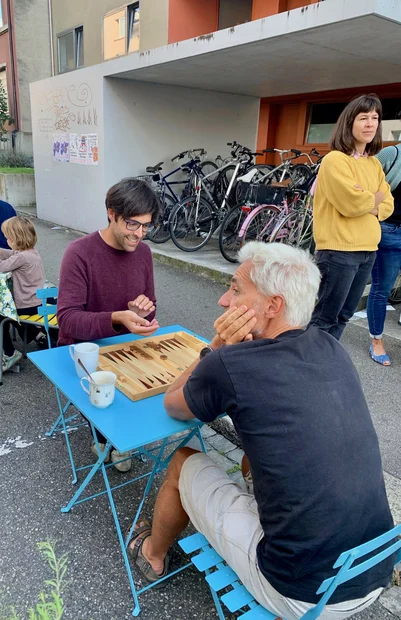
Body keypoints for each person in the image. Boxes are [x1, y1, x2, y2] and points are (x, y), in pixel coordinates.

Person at [126, 242, 394, 620]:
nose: (223, 300)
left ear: (273, 305)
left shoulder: (230, 364)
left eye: (236, 289)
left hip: (303, 593)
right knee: (263, 448)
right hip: (372, 566)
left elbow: (172, 403)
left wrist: (216, 347)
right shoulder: (332, 348)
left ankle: (152, 553)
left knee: (183, 461)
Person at [57, 178, 161, 472]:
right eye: (132, 224)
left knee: (166, 388)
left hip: (127, 345)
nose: (139, 234)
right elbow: (67, 319)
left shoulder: (144, 253)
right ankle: (107, 439)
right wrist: (117, 317)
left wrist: (142, 314)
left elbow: (149, 307)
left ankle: (115, 437)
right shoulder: (79, 253)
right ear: (111, 213)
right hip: (84, 350)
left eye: (146, 226)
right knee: (118, 401)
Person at [309, 94, 394, 340]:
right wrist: (373, 198)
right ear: (350, 123)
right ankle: (308, 368)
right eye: (363, 118)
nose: (370, 124)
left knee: (344, 316)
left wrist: (372, 199)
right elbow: (351, 204)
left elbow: (387, 204)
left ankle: (327, 362)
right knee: (325, 318)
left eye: (375, 118)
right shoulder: (335, 160)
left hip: (368, 250)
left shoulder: (374, 164)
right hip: (339, 251)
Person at [0, 216, 45, 372]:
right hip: (36, 301)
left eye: (8, 237)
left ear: (17, 239)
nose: (7, 240)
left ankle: (10, 353)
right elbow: (12, 255)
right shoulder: (31, 252)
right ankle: (36, 335)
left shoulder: (22, 257)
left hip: (27, 304)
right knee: (8, 313)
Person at [366, 136, 401, 365]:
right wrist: (373, 209)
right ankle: (376, 341)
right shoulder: (393, 154)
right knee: (382, 288)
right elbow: (364, 179)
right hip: (389, 230)